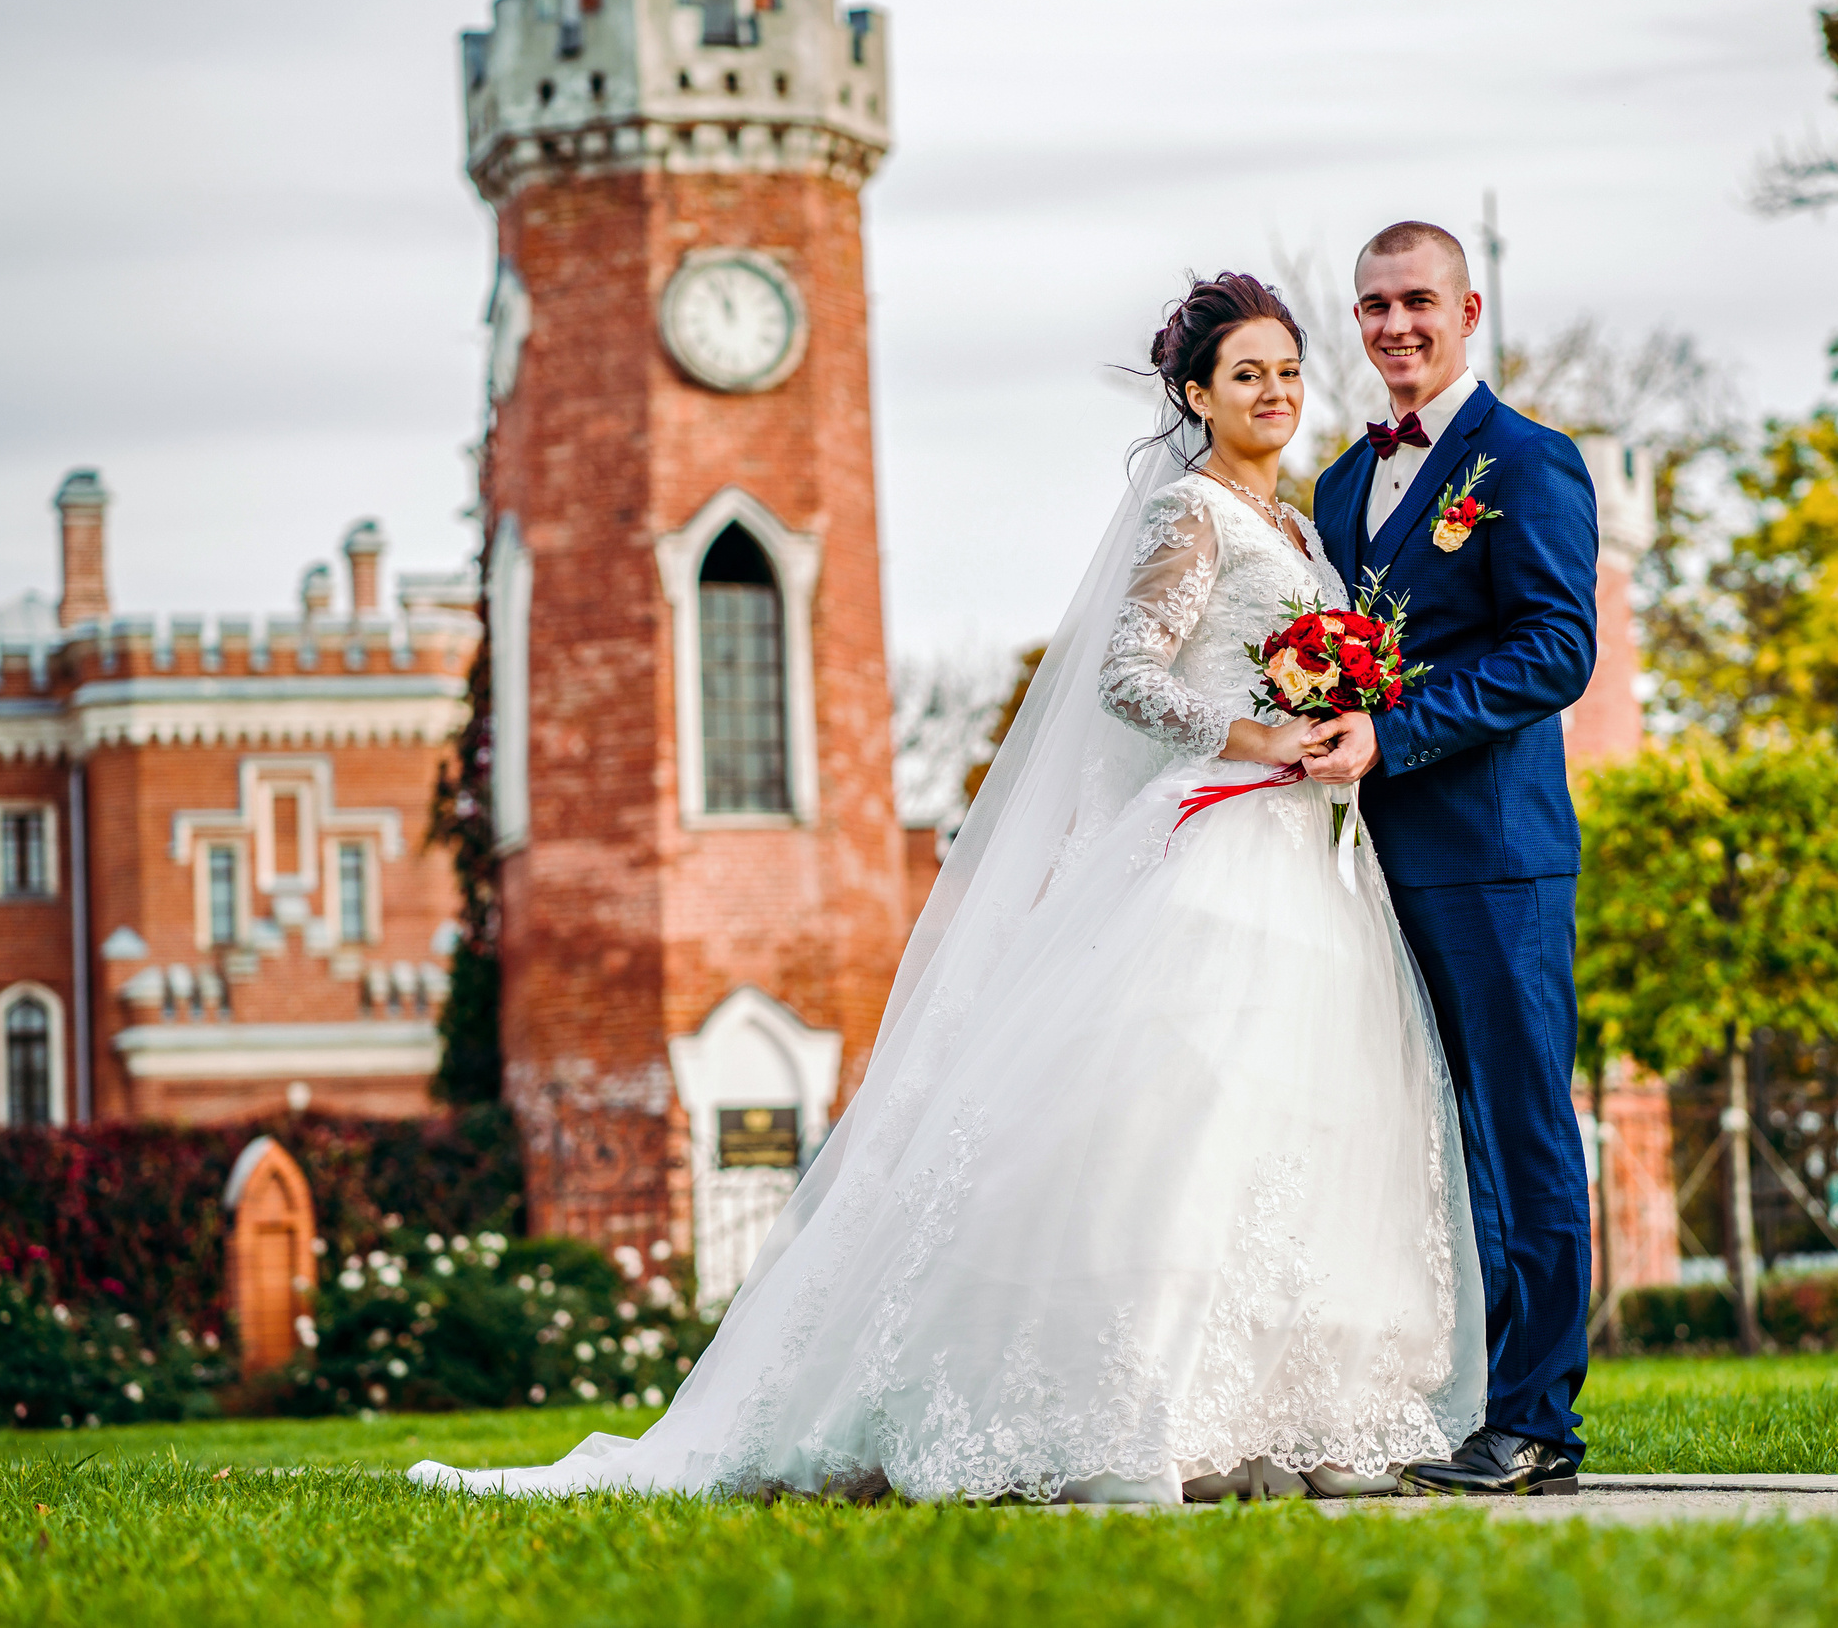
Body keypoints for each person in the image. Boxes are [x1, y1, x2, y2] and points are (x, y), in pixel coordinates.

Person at [409, 274, 1484, 1504]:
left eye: (1289, 371)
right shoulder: (1190, 514)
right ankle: (1125, 1414)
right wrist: (1259, 739)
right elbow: (1129, 679)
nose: (1276, 393)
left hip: (1315, 858)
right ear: (1196, 394)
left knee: (1309, 1120)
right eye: (1247, 374)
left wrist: (1336, 720)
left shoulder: (1301, 534)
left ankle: (1288, 1422)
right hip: (1218, 843)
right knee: (1182, 1115)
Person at [1300, 221, 1600, 1496]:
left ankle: (1536, 1423)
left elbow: (1555, 650)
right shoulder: (1331, 487)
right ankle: (1455, 1404)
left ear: (1468, 310)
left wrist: (1394, 733)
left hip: (1495, 859)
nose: (1394, 327)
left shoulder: (1529, 463)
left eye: (1417, 301)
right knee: (1418, 1138)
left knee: (1518, 1132)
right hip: (1365, 866)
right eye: (1372, 308)